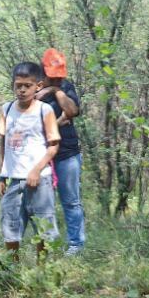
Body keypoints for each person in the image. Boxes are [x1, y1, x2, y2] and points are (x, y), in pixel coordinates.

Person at [0, 62, 60, 257]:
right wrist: (1, 175)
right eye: (18, 85)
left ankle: (44, 271)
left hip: (39, 179)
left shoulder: (44, 110)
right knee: (10, 224)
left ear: (38, 86)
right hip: (14, 178)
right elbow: (2, 143)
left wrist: (36, 170)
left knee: (43, 227)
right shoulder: (6, 109)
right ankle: (12, 269)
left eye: (27, 85)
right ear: (13, 86)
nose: (22, 90)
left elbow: (53, 145)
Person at [39, 49, 85, 255]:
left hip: (67, 153)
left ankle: (76, 244)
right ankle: (48, 245)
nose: (56, 79)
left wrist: (54, 91)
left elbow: (72, 111)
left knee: (71, 201)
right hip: (41, 154)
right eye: (52, 76)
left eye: (59, 76)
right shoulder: (33, 87)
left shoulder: (65, 87)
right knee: (42, 203)